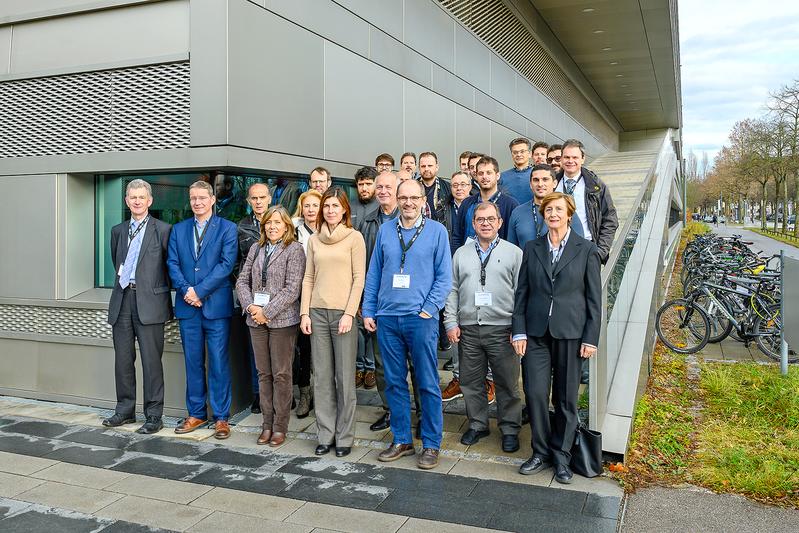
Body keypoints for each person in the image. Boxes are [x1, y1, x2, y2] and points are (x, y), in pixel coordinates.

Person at [512, 192, 601, 484]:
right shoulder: (532, 247)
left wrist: (591, 338)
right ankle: (540, 452)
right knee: (536, 394)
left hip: (571, 334)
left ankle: (561, 456)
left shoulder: (586, 249)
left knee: (565, 399)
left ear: (569, 214)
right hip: (536, 333)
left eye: (558, 210)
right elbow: (522, 292)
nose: (552, 214)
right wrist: (519, 329)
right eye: (548, 209)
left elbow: (594, 300)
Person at [363, 179, 452, 470]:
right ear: (397, 200)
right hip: (388, 318)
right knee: (394, 382)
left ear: (423, 199)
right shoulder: (387, 230)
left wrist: (428, 310)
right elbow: (375, 271)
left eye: (414, 197)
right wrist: (369, 309)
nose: (409, 203)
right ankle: (401, 439)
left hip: (420, 319)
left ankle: (430, 444)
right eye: (404, 197)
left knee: (427, 382)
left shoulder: (437, 231)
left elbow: (444, 278)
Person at [444, 202, 523, 452]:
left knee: (507, 383)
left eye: (491, 219)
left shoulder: (514, 253)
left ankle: (510, 428)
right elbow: (452, 289)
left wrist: (518, 327)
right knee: (470, 380)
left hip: (503, 328)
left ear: (500, 222)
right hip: (468, 327)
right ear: (473, 224)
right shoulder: (461, 254)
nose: (485, 223)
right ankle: (477, 424)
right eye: (480, 219)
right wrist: (450, 321)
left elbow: (522, 293)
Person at [167, 179, 238, 439]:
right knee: (193, 362)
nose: (197, 202)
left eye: (202, 198)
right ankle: (196, 413)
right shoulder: (179, 229)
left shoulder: (227, 228)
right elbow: (172, 264)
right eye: (193, 198)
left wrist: (200, 291)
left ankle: (221, 417)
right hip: (188, 308)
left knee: (218, 363)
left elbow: (226, 264)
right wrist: (187, 291)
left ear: (212, 200)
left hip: (215, 307)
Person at [300, 187, 366, 458]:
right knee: (323, 377)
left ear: (344, 210)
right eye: (326, 206)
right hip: (317, 312)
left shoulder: (354, 238)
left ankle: (345, 436)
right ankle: (325, 434)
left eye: (334, 206)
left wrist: (350, 314)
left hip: (343, 316)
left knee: (343, 379)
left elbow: (359, 278)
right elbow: (308, 278)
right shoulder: (314, 240)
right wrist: (304, 313)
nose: (329, 211)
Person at [104, 179, 172, 434]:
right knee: (122, 360)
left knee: (151, 362)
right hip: (122, 301)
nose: (137, 201)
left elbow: (168, 268)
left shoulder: (163, 230)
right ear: (126, 201)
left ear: (150, 200)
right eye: (132, 197)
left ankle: (154, 415)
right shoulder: (118, 231)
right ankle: (124, 410)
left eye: (141, 197)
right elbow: (116, 261)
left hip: (150, 303)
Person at [236, 206, 305, 447]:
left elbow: (292, 288)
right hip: (255, 319)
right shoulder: (256, 248)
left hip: (282, 321)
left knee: (281, 374)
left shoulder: (294, 250)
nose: (272, 226)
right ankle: (266, 423)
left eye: (277, 222)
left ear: (287, 225)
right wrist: (251, 307)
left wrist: (267, 311)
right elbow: (242, 281)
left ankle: (280, 426)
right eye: (268, 222)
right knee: (263, 373)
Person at [237, 182, 272, 414]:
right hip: (253, 299)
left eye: (262, 197)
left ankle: (281, 394)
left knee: (281, 352)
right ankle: (260, 395)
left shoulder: (280, 221)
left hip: (278, 298)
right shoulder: (241, 227)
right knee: (255, 351)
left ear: (269, 198)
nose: (258, 202)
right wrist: (247, 300)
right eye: (254, 198)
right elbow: (237, 265)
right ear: (249, 201)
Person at [554, 139, 618, 264]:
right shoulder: (552, 184)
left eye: (575, 157)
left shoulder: (597, 186)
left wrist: (600, 251)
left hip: (587, 249)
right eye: (566, 157)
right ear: (561, 159)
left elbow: (610, 219)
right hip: (556, 249)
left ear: (583, 159)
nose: (570, 161)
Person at [292, 189, 322, 418]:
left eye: (315, 205)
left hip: (322, 294)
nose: (311, 210)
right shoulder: (293, 228)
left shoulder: (328, 229)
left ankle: (323, 395)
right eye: (307, 205)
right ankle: (305, 393)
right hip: (298, 294)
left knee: (320, 348)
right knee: (303, 347)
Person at [507, 164, 584, 249]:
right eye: (536, 180)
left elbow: (580, 246)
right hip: (526, 261)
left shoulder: (566, 210)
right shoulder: (518, 212)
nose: (540, 184)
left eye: (545, 179)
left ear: (555, 183)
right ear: (530, 184)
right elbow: (511, 249)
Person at [452, 156, 519, 249]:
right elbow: (457, 236)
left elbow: (513, 240)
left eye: (489, 173)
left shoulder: (511, 205)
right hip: (469, 259)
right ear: (476, 176)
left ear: (497, 175)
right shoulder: (466, 203)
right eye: (481, 173)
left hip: (499, 260)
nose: (484, 177)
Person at [417, 151, 453, 232]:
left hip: (440, 233)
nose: (426, 169)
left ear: (437, 167)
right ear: (419, 168)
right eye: (423, 166)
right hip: (417, 233)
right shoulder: (412, 187)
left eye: (430, 166)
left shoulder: (448, 187)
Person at [499, 138, 534, 204]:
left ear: (530, 154)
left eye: (522, 151)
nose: (518, 155)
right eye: (515, 152)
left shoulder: (537, 175)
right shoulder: (502, 177)